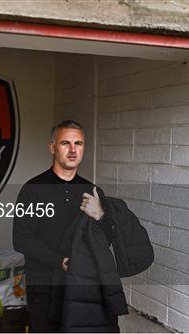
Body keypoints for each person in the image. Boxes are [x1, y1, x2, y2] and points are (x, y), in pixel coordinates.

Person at [12, 120, 115, 332]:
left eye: (78, 143)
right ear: (52, 147)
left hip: (84, 285)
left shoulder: (92, 191)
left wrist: (100, 215)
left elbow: (107, 240)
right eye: (65, 143)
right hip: (44, 284)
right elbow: (21, 239)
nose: (72, 150)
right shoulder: (33, 190)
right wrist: (61, 261)